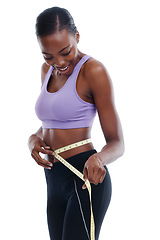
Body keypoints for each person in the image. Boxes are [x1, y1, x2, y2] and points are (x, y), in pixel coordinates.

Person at [28, 6, 124, 240]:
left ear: (77, 37)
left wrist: (98, 158)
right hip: (53, 178)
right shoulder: (47, 71)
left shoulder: (93, 70)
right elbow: (53, 122)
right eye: (48, 55)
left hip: (84, 177)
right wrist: (33, 139)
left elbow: (117, 143)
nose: (58, 62)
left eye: (65, 51)